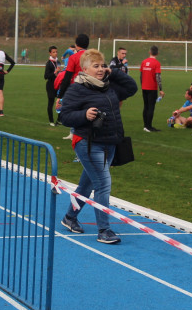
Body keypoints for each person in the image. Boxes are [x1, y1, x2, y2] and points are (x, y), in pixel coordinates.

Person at [58, 48, 137, 244]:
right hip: (88, 142)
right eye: (96, 66)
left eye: (103, 65)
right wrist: (83, 115)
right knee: (103, 184)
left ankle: (69, 217)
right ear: (84, 69)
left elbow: (132, 88)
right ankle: (104, 230)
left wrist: (115, 71)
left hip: (110, 142)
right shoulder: (77, 88)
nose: (101, 69)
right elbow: (64, 116)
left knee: (88, 184)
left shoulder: (109, 86)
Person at [139, 45, 163, 132]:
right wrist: (161, 89)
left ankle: (145, 125)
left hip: (144, 87)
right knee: (151, 107)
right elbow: (158, 77)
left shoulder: (144, 62)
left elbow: (141, 75)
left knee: (145, 106)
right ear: (157, 53)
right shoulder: (156, 63)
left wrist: (142, 85)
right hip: (152, 88)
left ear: (149, 52)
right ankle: (149, 127)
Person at [44, 45, 62, 126]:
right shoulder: (49, 63)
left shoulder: (58, 62)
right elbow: (46, 76)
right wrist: (55, 72)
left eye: (56, 52)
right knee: (50, 103)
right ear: (50, 53)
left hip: (58, 85)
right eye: (54, 52)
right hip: (51, 85)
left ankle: (59, 120)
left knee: (61, 102)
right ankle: (51, 121)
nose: (55, 54)